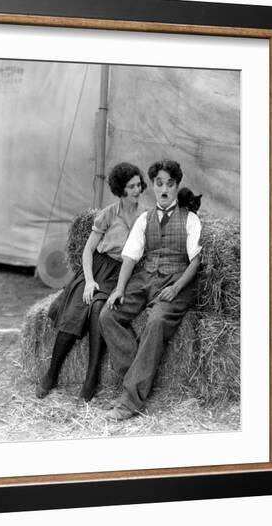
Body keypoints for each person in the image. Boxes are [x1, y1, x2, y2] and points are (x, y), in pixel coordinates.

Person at [99, 159, 202, 420]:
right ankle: (139, 372)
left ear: (177, 186)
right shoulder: (144, 219)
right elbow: (130, 257)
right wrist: (119, 289)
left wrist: (177, 288)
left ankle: (130, 401)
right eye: (159, 184)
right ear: (153, 187)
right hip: (146, 278)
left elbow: (197, 260)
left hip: (178, 280)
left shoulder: (190, 219)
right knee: (107, 314)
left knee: (155, 322)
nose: (164, 189)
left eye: (170, 184)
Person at [36, 162, 147, 402]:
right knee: (77, 308)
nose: (137, 190)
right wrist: (88, 281)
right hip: (98, 267)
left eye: (139, 185)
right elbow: (87, 251)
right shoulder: (107, 214)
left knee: (99, 308)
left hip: (123, 272)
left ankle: (92, 377)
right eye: (131, 186)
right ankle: (52, 373)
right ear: (120, 189)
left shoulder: (146, 217)